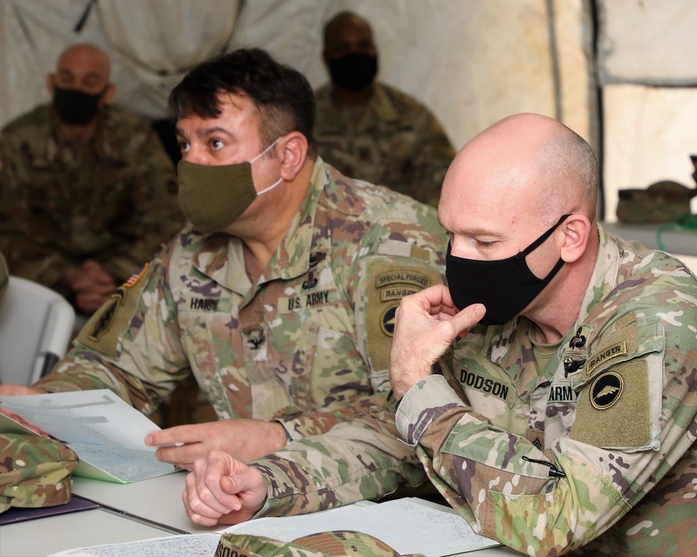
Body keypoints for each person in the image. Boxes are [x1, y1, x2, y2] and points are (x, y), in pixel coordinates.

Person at [183, 114, 697, 555]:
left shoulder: (656, 325)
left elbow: (556, 519)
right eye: (453, 234)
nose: (459, 259)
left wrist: (416, 384)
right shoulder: (503, 307)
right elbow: (405, 442)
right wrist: (273, 482)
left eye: (485, 242)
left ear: (570, 237)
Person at [0, 48, 448, 471]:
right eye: (184, 144)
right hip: (235, 506)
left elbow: (419, 417)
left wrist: (275, 439)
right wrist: (43, 403)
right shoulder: (193, 252)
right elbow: (116, 369)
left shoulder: (388, 242)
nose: (191, 162)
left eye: (214, 143)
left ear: (287, 155)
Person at [0, 43, 184, 314]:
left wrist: (112, 275)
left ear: (108, 93)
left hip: (124, 278)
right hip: (41, 282)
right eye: (67, 78)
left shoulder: (134, 138)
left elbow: (168, 217)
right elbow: (7, 230)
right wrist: (69, 276)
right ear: (51, 83)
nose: (76, 89)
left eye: (90, 81)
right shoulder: (17, 140)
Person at [313, 11, 455, 207]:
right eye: (342, 48)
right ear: (326, 58)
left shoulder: (410, 115)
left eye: (364, 46)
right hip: (327, 232)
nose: (354, 55)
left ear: (375, 50)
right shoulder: (305, 118)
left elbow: (445, 184)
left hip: (403, 231)